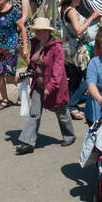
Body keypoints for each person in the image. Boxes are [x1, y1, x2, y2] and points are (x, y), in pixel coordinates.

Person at [16, 18, 75, 154]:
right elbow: (33, 63)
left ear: (48, 32)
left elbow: (58, 70)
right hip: (38, 84)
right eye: (36, 30)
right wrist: (28, 72)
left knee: (61, 111)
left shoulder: (56, 47)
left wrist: (51, 87)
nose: (37, 33)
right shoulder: (36, 43)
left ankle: (69, 136)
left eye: (40, 31)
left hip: (54, 86)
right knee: (34, 113)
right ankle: (28, 142)